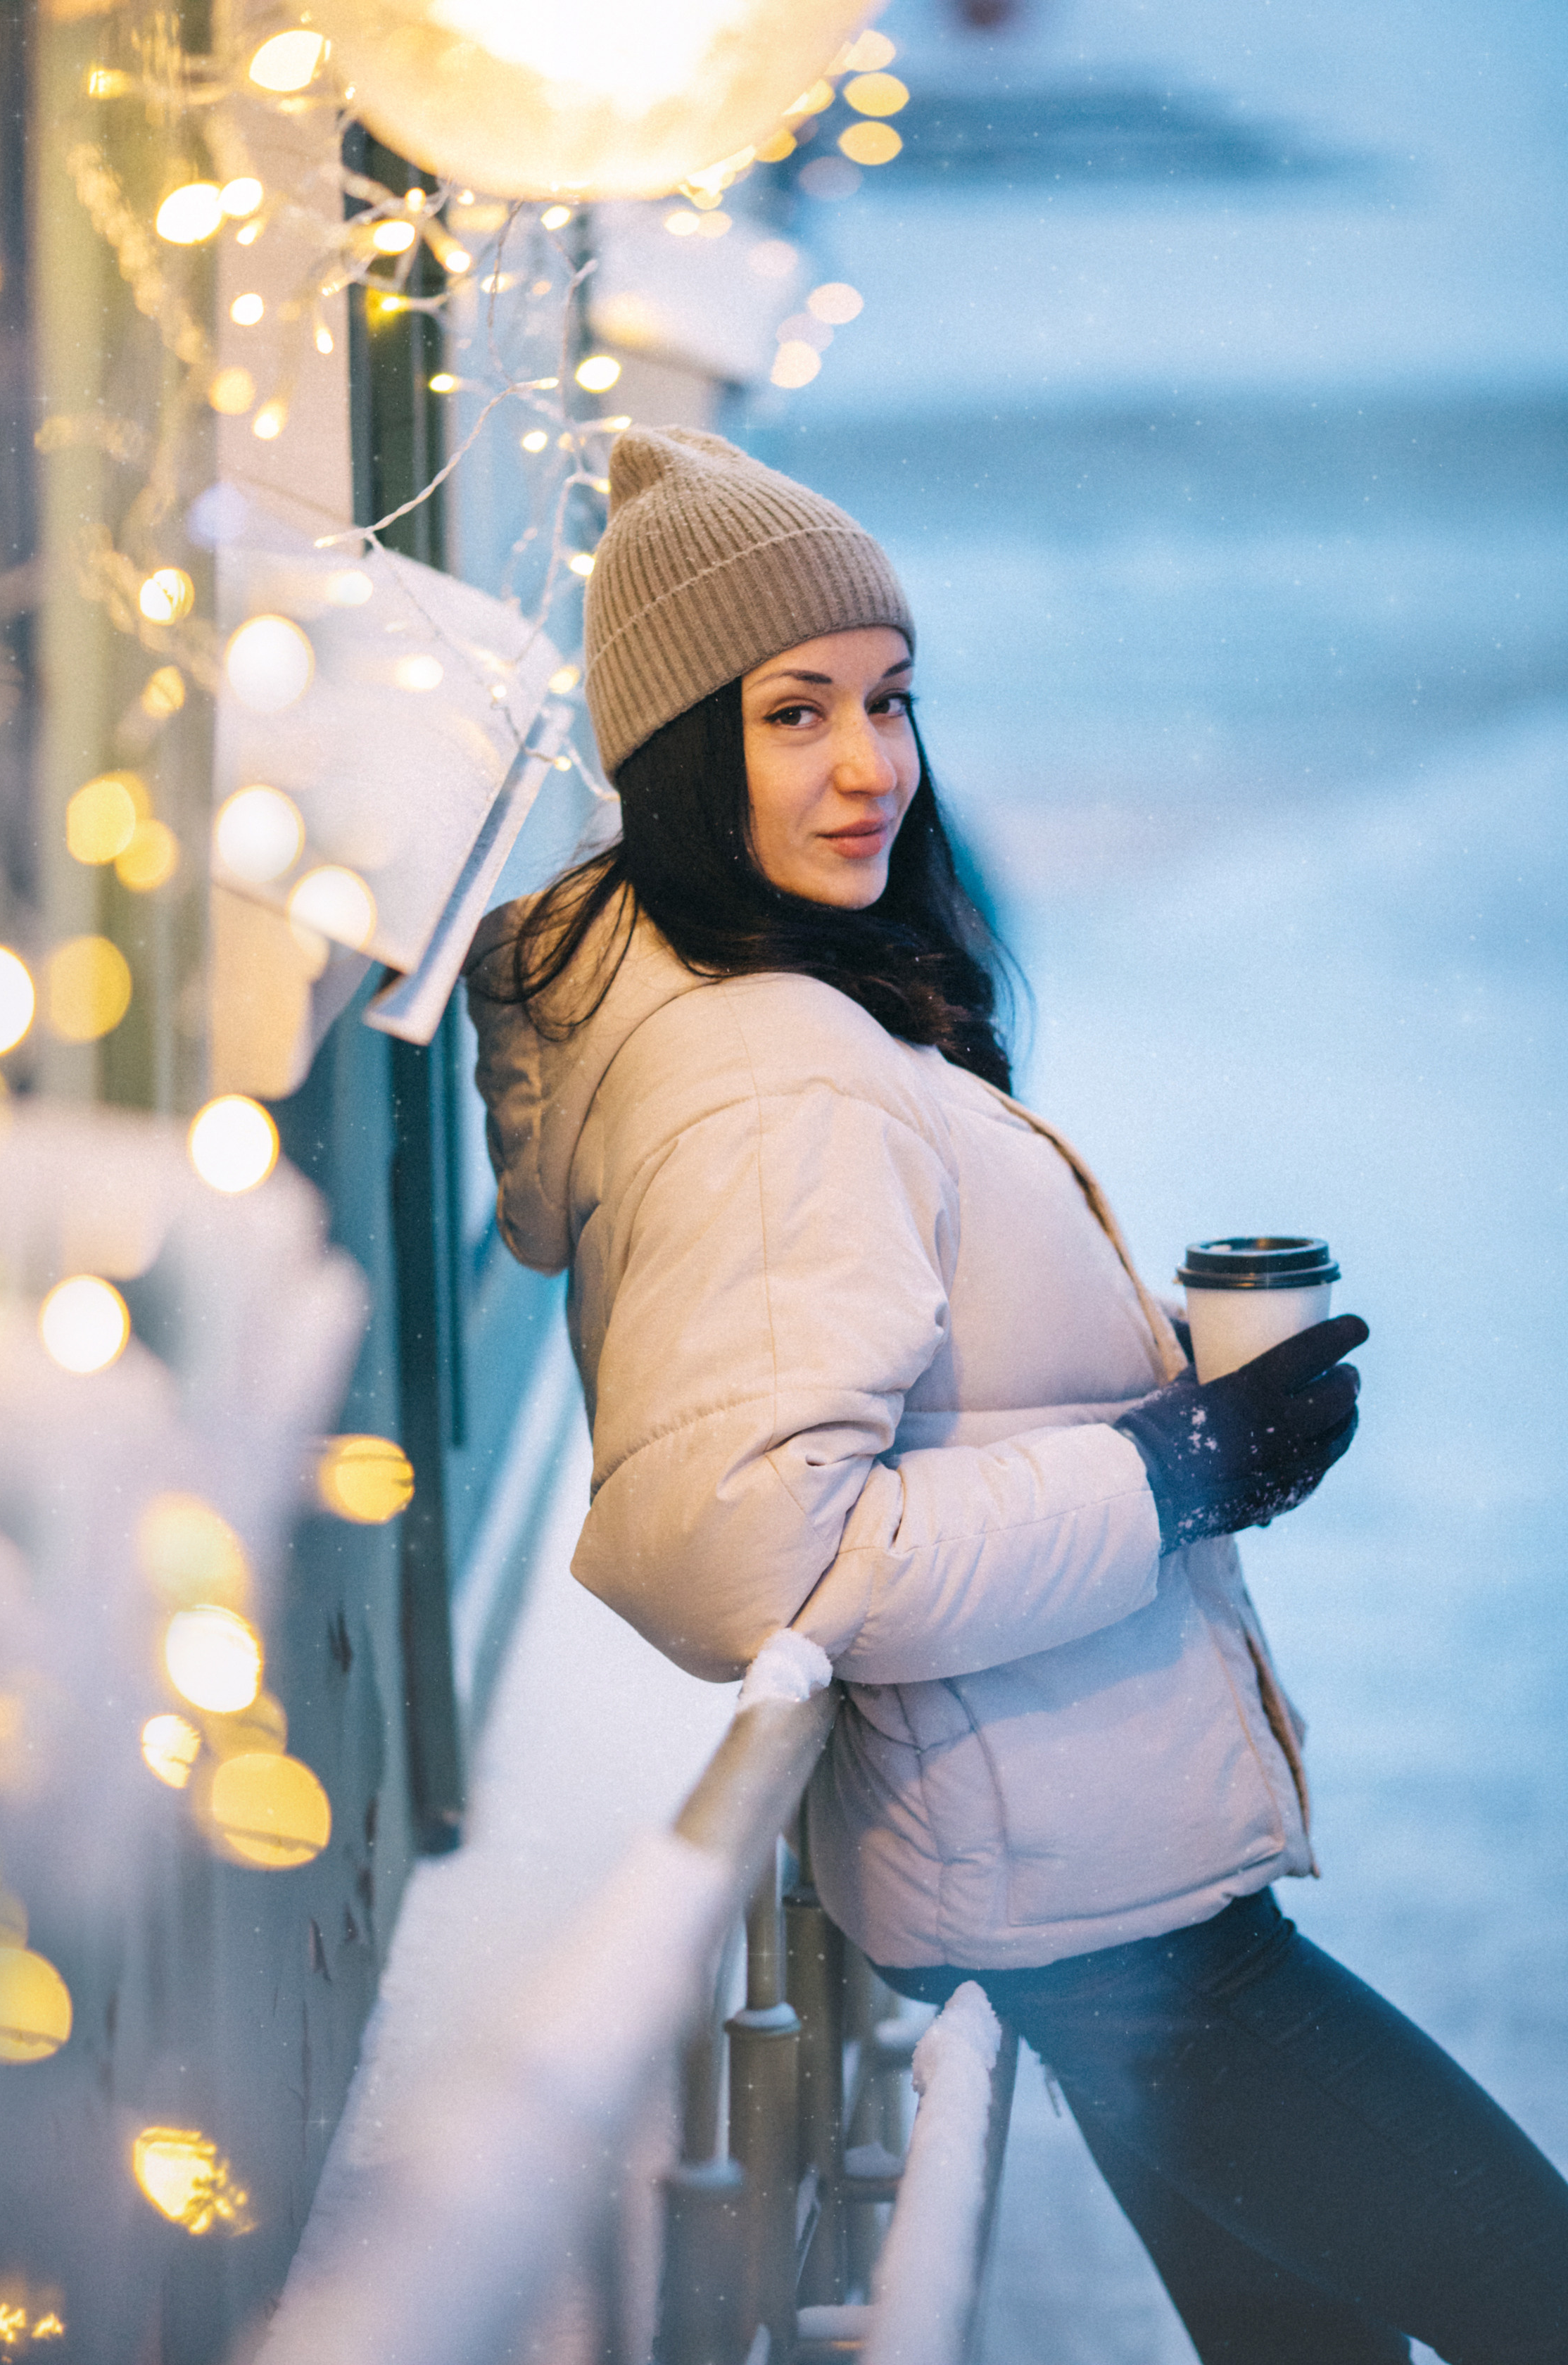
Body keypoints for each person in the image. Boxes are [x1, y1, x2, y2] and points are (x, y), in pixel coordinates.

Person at [465, 427, 1568, 2363]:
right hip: (1102, 1912)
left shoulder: (755, 1007)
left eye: (889, 702)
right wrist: (1177, 1474)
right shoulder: (773, 1069)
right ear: (679, 758)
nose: (870, 765)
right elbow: (740, 1553)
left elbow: (894, 1373)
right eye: (793, 713)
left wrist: (1171, 1403)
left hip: (1089, 1882)